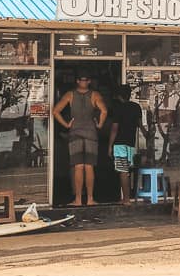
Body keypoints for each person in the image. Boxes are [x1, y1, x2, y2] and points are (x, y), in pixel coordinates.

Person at [53, 73, 108, 206]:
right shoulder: (95, 95)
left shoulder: (70, 94)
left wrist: (67, 125)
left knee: (78, 167)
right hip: (91, 133)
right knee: (89, 167)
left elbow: (55, 111)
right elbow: (104, 111)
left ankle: (78, 200)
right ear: (89, 81)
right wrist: (99, 124)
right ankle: (90, 199)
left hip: (75, 133)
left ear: (77, 81)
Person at [109, 85, 143, 206]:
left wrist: (109, 146)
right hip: (131, 143)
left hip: (120, 144)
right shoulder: (136, 107)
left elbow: (114, 129)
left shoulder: (118, 108)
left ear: (118, 96)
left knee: (123, 171)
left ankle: (126, 199)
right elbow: (140, 125)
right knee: (127, 170)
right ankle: (126, 198)